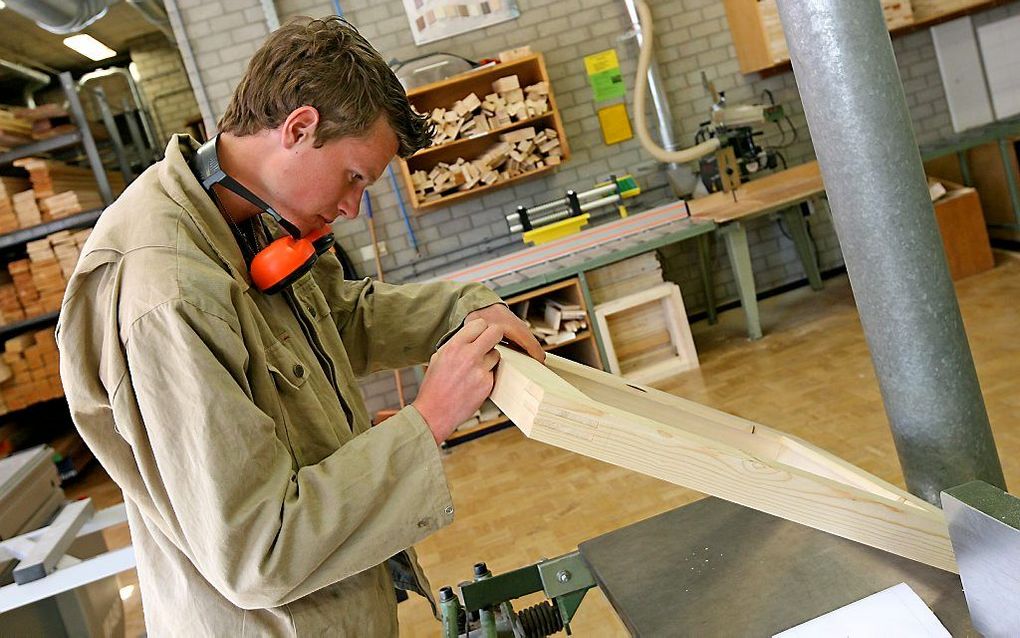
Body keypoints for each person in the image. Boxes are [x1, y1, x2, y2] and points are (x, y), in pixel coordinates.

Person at [57, 16, 544, 636]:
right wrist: (431, 417)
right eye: (354, 177)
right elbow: (261, 547)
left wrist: (463, 313)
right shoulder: (170, 294)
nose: (351, 207)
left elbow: (341, 318)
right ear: (299, 127)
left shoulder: (244, 210)